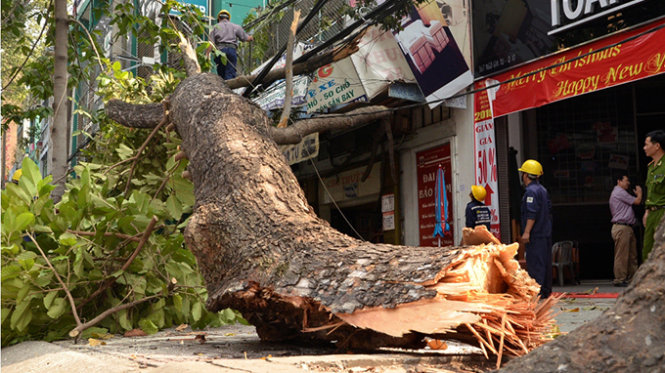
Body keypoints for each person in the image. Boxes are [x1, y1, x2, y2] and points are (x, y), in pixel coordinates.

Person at [518, 159, 552, 298]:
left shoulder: (531, 192)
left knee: (535, 263)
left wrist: (526, 232)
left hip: (536, 234)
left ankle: (537, 292)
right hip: (545, 232)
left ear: (526, 175)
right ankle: (545, 291)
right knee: (545, 262)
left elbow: (532, 213)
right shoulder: (543, 190)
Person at [609, 174, 642, 287]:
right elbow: (637, 201)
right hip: (622, 227)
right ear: (619, 181)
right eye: (626, 180)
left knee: (632, 255)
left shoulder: (620, 192)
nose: (628, 183)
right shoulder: (619, 192)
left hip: (627, 227)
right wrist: (640, 193)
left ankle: (633, 278)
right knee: (622, 254)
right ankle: (620, 278)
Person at [206, 9, 253, 80]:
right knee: (230, 73)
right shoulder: (235, 27)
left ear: (219, 18)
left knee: (221, 74)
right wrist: (251, 38)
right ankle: (229, 88)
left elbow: (211, 43)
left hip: (220, 52)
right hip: (231, 51)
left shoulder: (215, 27)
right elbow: (245, 38)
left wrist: (207, 54)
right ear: (228, 18)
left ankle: (223, 88)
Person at [642, 129, 665, 260]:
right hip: (651, 213)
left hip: (663, 213)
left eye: (647, 144)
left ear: (657, 146)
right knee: (647, 250)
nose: (644, 148)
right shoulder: (651, 168)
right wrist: (647, 212)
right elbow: (650, 192)